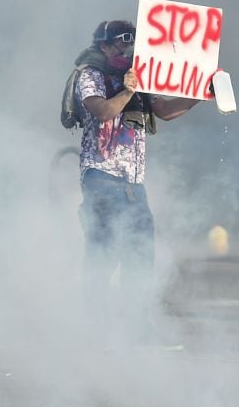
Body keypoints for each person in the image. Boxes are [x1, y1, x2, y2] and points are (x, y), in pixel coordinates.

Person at [73, 19, 198, 300]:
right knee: (103, 254)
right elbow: (103, 112)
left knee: (140, 254)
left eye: (133, 41)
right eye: (122, 40)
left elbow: (163, 110)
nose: (129, 47)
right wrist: (128, 90)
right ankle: (91, 324)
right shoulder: (90, 75)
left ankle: (136, 325)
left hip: (133, 184)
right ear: (103, 46)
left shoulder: (139, 75)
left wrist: (199, 96)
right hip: (101, 178)